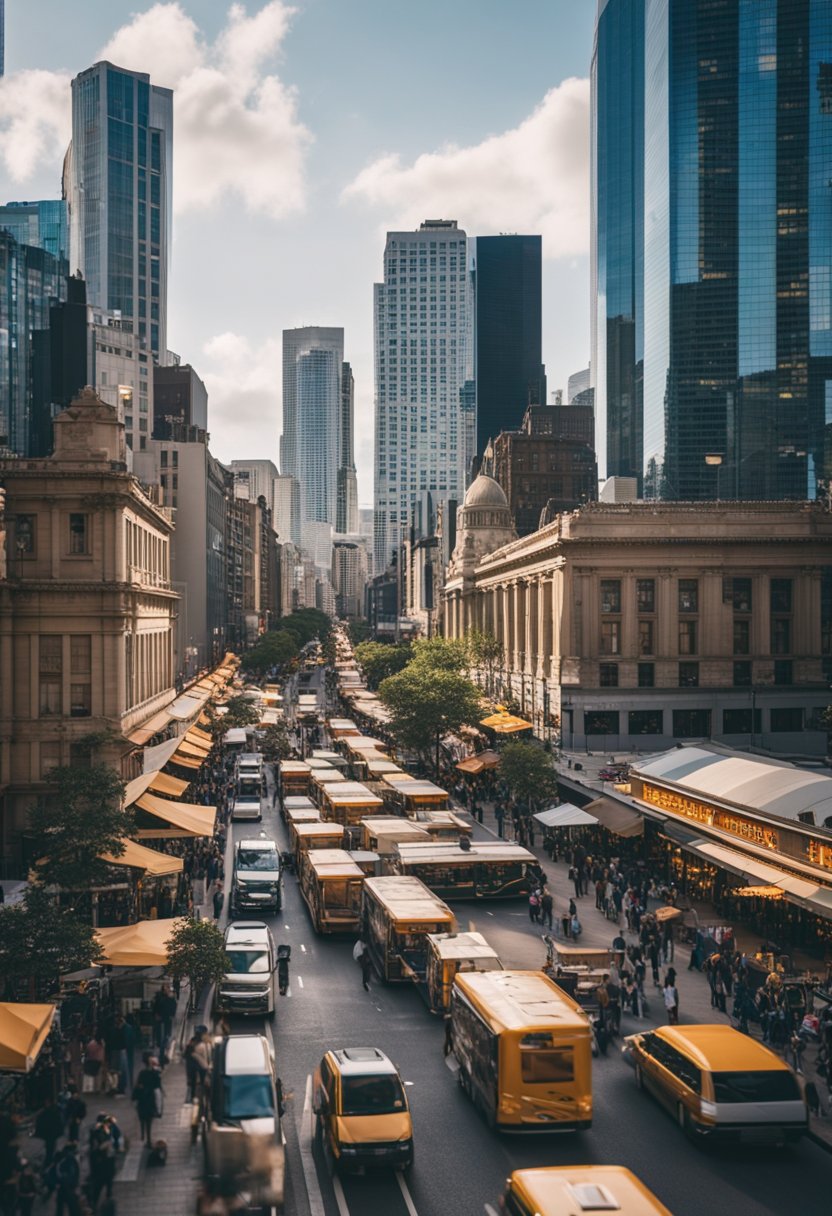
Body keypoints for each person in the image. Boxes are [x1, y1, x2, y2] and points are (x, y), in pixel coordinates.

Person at [133, 1054, 162, 1146]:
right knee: (149, 1119)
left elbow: (138, 1085)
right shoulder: (154, 1073)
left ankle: (143, 1135)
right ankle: (148, 1138)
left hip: (142, 1098)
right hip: (150, 1097)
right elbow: (157, 1085)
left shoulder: (142, 1073)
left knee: (143, 1118)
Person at [34, 1097, 63, 1169]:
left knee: (50, 1149)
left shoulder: (52, 1112)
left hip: (51, 1134)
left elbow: (57, 1122)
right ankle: (49, 1162)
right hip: (49, 1135)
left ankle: (49, 1163)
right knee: (50, 1149)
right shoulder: (49, 1112)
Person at [54, 1143, 81, 1216]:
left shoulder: (63, 1158)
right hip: (67, 1187)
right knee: (72, 1206)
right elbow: (73, 1174)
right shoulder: (70, 1160)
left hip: (64, 1187)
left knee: (61, 1207)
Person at [152, 985, 176, 1063]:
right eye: (166, 989)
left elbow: (173, 1007)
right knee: (160, 1035)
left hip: (167, 1019)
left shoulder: (170, 998)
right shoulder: (159, 997)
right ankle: (160, 1050)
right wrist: (156, 1015)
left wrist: (172, 1015)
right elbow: (156, 1006)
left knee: (166, 1035)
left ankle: (164, 1051)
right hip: (160, 1019)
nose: (167, 990)